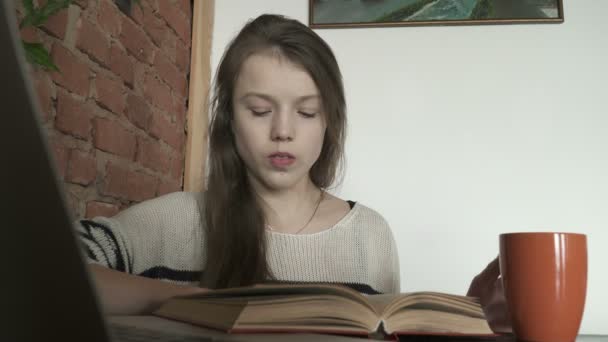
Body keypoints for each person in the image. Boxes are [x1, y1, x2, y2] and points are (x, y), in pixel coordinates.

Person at [76, 14, 511, 333]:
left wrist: (459, 321)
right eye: (260, 110)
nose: (282, 132)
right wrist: (185, 300)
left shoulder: (370, 236)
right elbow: (41, 270)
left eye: (306, 111)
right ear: (229, 119)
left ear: (329, 121)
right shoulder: (168, 223)